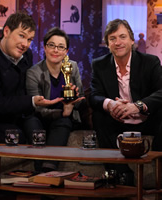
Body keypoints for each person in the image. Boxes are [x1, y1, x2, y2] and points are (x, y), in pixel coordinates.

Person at [89, 19, 162, 186]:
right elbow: (94, 96)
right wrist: (110, 104)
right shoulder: (99, 65)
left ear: (132, 40)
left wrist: (137, 106)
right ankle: (121, 174)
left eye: (122, 37)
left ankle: (156, 164)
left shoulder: (150, 62)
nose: (118, 42)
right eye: (112, 38)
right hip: (118, 121)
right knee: (99, 115)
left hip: (146, 120)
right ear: (107, 43)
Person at [0, 12, 63, 145]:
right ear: (7, 31)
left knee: (49, 128)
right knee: (19, 134)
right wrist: (31, 101)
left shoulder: (26, 55)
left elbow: (29, 86)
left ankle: (46, 165)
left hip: (23, 114)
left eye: (30, 39)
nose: (25, 44)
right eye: (21, 36)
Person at [26, 27, 85, 172]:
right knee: (31, 121)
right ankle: (44, 172)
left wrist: (73, 102)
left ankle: (46, 170)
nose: (55, 50)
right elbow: (36, 108)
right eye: (51, 45)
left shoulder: (73, 67)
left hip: (63, 118)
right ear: (44, 48)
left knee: (64, 121)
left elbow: (82, 98)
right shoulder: (33, 73)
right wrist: (62, 112)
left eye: (61, 47)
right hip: (41, 116)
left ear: (66, 51)